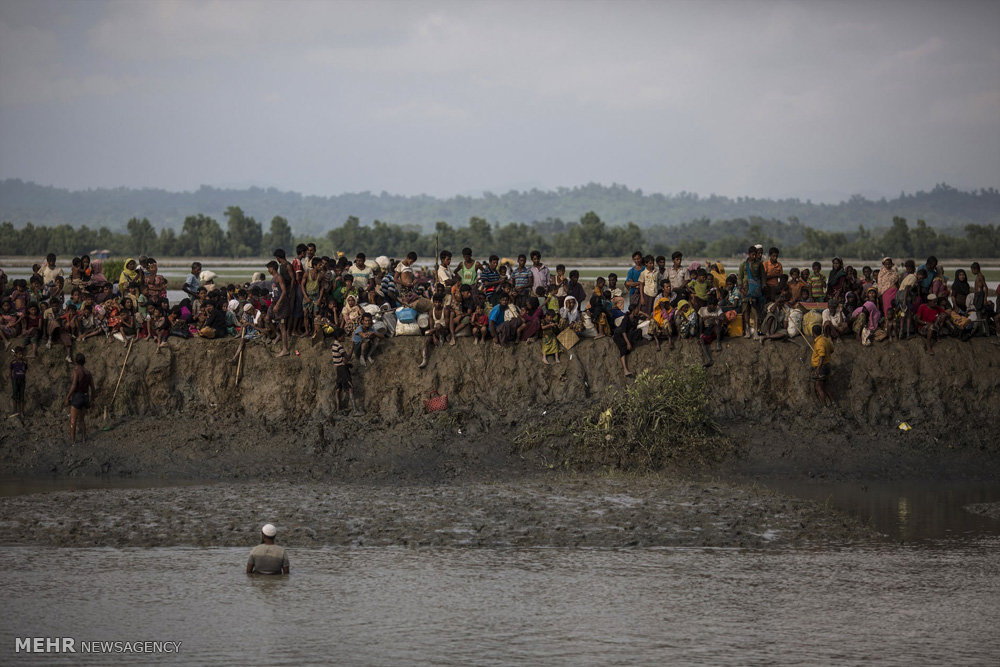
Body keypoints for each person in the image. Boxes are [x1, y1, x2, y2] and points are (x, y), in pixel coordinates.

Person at [64, 353, 95, 444]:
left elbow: (74, 385)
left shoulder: (76, 371)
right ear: (84, 361)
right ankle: (84, 439)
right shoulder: (88, 373)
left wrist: (67, 397)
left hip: (78, 397)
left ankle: (73, 442)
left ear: (76, 361)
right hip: (85, 397)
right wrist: (92, 400)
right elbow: (93, 388)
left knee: (73, 421)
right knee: (82, 420)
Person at [330, 327, 360, 414]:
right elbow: (348, 357)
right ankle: (355, 410)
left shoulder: (334, 345)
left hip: (338, 369)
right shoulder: (339, 346)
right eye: (343, 336)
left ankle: (338, 409)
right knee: (350, 387)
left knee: (338, 388)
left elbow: (339, 359)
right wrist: (352, 347)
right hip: (343, 369)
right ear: (339, 337)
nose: (344, 337)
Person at [810, 324, 834, 406]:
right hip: (827, 366)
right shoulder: (825, 339)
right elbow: (832, 350)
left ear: (813, 333)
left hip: (821, 367)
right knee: (826, 386)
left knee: (819, 387)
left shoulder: (819, 342)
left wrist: (818, 369)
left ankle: (824, 406)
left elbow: (822, 356)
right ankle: (833, 403)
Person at [10, 346, 27, 420]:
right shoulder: (13, 362)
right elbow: (10, 371)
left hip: (22, 381)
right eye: (19, 354)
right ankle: (15, 411)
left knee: (22, 396)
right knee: (15, 396)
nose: (21, 355)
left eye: (22, 354)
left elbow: (25, 370)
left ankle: (22, 412)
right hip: (15, 381)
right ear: (16, 354)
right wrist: (12, 379)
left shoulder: (24, 362)